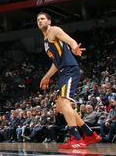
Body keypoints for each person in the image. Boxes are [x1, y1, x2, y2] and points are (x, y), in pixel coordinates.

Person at [37, 12, 101, 149]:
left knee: (64, 102)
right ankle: (89, 134)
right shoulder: (45, 41)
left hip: (69, 69)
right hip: (62, 71)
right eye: (38, 20)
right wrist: (47, 76)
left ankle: (76, 138)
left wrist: (74, 46)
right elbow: (56, 63)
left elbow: (69, 39)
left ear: (49, 21)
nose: (40, 21)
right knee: (61, 106)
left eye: (42, 19)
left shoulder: (54, 30)